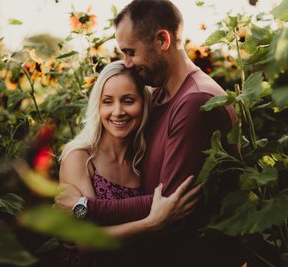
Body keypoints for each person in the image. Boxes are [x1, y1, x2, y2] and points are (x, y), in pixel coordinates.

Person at [56, 0, 241, 266]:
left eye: (131, 52)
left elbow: (169, 204)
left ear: (162, 40)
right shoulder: (160, 98)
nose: (127, 64)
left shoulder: (194, 101)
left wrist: (83, 207)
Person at [58, 60, 201, 267]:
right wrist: (151, 224)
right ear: (97, 106)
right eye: (107, 101)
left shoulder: (142, 158)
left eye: (128, 100)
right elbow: (85, 241)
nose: (117, 111)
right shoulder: (80, 157)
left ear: (143, 103)